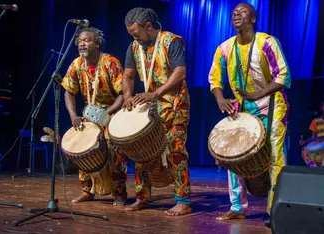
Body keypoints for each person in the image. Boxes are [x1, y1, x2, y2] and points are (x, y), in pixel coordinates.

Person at [208, 2, 291, 228]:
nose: (236, 13)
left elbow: (283, 76)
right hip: (243, 106)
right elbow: (214, 78)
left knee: (275, 156)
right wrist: (220, 98)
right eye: (234, 11)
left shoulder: (267, 42)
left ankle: (275, 209)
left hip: (272, 105)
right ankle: (237, 207)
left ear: (253, 19)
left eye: (242, 11)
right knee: (232, 156)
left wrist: (258, 94)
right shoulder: (224, 47)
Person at [122, 7, 192, 216]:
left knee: (175, 149)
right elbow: (128, 75)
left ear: (148, 26)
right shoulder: (134, 47)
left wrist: (156, 93)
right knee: (141, 148)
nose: (134, 38)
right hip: (149, 106)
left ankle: (183, 200)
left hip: (176, 104)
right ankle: (142, 197)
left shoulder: (171, 41)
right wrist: (127, 96)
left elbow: (179, 73)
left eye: (136, 33)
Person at [61, 26, 127, 206]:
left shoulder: (110, 63)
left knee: (114, 149)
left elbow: (123, 93)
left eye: (87, 40)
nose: (82, 43)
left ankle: (119, 193)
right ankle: (87, 190)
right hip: (89, 113)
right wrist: (74, 116)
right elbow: (68, 91)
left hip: (111, 112)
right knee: (82, 145)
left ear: (97, 43)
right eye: (80, 41)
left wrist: (108, 113)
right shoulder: (76, 65)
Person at [299, 101, 324, 167]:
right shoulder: (316, 121)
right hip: (320, 144)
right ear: (321, 107)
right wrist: (305, 141)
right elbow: (314, 137)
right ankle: (314, 169)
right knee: (305, 150)